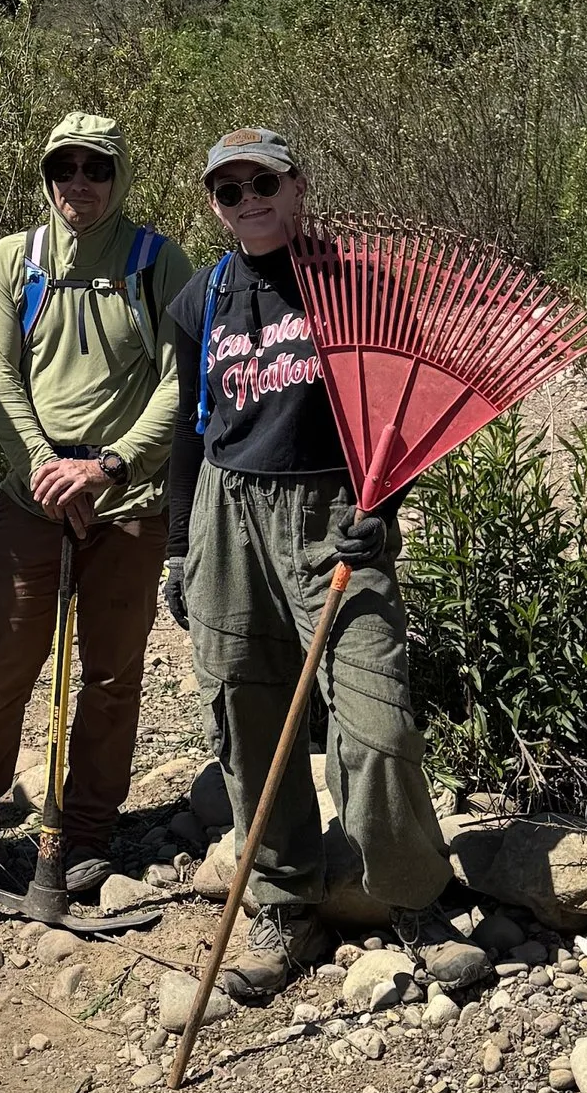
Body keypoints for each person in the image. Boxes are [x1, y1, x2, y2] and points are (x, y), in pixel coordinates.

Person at [162, 124, 450, 1001]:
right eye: (229, 191)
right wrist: (179, 547)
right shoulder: (200, 298)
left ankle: (414, 900)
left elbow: (415, 406)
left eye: (263, 183)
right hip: (227, 508)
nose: (248, 202)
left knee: (375, 714)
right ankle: (287, 901)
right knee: (244, 710)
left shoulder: (358, 285)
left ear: (299, 185)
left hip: (333, 509)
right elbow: (188, 425)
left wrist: (385, 510)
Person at [0, 113, 192, 893]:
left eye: (97, 168)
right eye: (65, 168)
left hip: (126, 499)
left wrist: (108, 467)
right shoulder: (15, 260)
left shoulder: (157, 261)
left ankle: (82, 834)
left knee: (112, 674)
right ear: (46, 175)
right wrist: (48, 468)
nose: (80, 183)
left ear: (119, 176)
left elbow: (183, 381)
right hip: (33, 496)